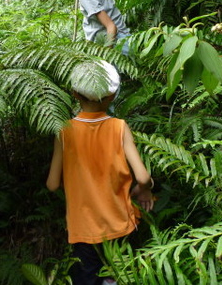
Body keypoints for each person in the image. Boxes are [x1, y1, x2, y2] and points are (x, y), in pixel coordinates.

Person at [46, 59, 154, 284]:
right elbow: (143, 177)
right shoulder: (119, 127)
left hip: (83, 230)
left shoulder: (63, 132)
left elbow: (52, 184)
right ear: (112, 95)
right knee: (121, 277)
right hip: (120, 225)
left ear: (75, 93)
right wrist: (144, 191)